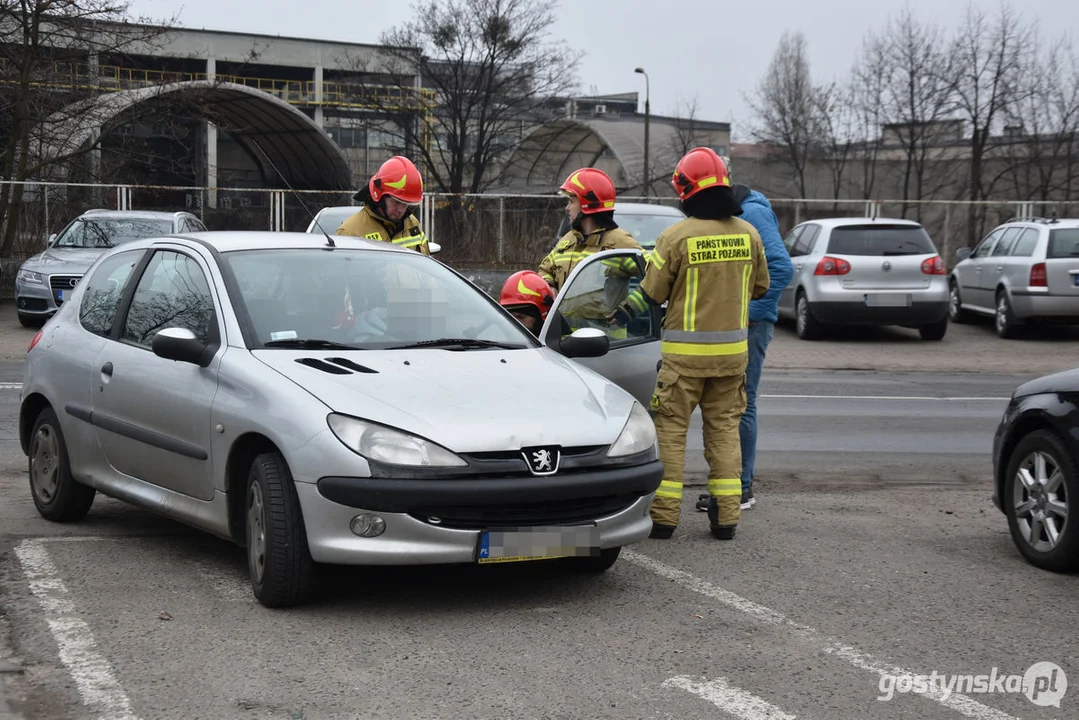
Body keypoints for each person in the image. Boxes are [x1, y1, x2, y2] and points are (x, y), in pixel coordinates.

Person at [611, 147, 769, 541]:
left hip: (683, 362)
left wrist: (616, 318)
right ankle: (727, 518)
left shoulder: (676, 236)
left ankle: (664, 520)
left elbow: (652, 292)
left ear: (685, 190)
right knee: (724, 434)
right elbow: (762, 286)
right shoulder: (748, 234)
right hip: (732, 360)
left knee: (671, 434)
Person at [695, 165, 794, 514]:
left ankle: (742, 488)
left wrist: (751, 311)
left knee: (742, 405)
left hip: (751, 326)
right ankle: (730, 484)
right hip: (735, 325)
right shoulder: (732, 212)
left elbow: (782, 267)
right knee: (728, 406)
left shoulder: (752, 213)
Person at [538, 168, 643, 293]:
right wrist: (549, 286)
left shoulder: (621, 244)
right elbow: (545, 270)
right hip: (561, 313)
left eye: (571, 202)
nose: (567, 208)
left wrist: (628, 309)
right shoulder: (568, 240)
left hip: (603, 314)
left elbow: (654, 281)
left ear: (587, 204)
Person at [335, 156, 431, 255]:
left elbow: (426, 262)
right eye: (396, 202)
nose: (401, 210)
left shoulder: (412, 223)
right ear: (379, 196)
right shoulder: (350, 232)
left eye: (406, 203)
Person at [498, 270, 555, 336]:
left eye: (521, 317)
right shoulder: (492, 339)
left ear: (540, 318)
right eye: (510, 317)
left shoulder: (558, 343)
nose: (514, 323)